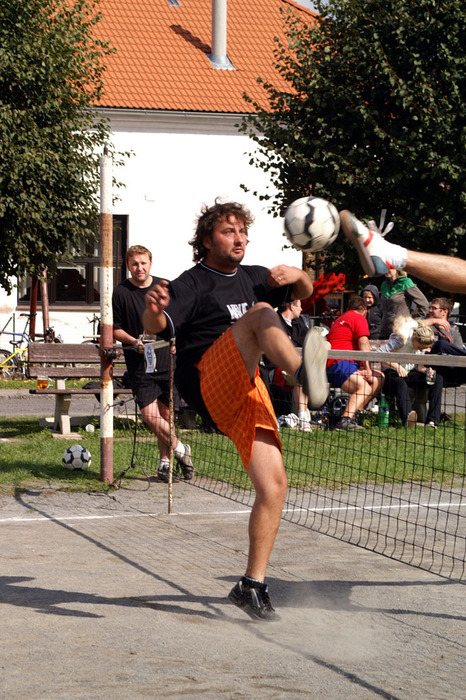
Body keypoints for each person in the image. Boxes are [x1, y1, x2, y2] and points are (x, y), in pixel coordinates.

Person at [142, 200, 329, 621]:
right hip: (208, 379)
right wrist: (152, 311)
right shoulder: (192, 283)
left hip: (246, 390)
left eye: (243, 231)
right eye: (229, 231)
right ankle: (302, 373)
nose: (239, 238)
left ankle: (251, 585)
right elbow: (157, 326)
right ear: (207, 240)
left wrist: (298, 274)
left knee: (274, 486)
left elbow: (305, 291)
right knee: (261, 313)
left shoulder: (256, 277)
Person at [112, 245, 194, 483]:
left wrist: (178, 341)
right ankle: (181, 449)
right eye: (135, 264)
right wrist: (133, 341)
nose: (139, 268)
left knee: (166, 415)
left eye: (143, 263)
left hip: (167, 360)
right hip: (140, 364)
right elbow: (115, 329)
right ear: (128, 266)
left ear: (150, 264)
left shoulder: (164, 288)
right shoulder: (120, 292)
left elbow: (181, 321)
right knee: (150, 415)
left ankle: (165, 463)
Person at [340, 210, 466, 294]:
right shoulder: (385, 286)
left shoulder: (406, 284)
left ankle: (389, 254)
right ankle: (389, 254)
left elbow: (421, 302)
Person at [326, 296, 384, 429]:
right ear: (364, 310)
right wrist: (367, 368)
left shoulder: (340, 318)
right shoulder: (359, 317)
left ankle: (354, 414)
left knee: (379, 378)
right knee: (364, 388)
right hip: (339, 362)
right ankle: (345, 421)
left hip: (338, 363)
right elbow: (364, 343)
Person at [375, 318, 442, 428]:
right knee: (400, 383)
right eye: (419, 347)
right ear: (414, 338)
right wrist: (396, 366)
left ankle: (432, 421)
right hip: (391, 373)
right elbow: (378, 354)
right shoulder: (400, 339)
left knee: (437, 379)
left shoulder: (422, 343)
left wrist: (426, 371)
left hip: (409, 373)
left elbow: (418, 365)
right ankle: (407, 418)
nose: (420, 350)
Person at [262, 299, 313, 430]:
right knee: (301, 373)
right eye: (299, 306)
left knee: (302, 372)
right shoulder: (273, 322)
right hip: (275, 368)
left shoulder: (299, 323)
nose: (301, 309)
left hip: (296, 365)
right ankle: (302, 418)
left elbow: (309, 341)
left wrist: (290, 342)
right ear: (292, 307)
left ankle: (302, 417)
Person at [379, 269, 428, 339]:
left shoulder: (406, 283)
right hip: (384, 331)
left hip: (401, 332)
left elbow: (424, 304)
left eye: (389, 268)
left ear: (397, 269)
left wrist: (413, 321)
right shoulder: (384, 285)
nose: (386, 270)